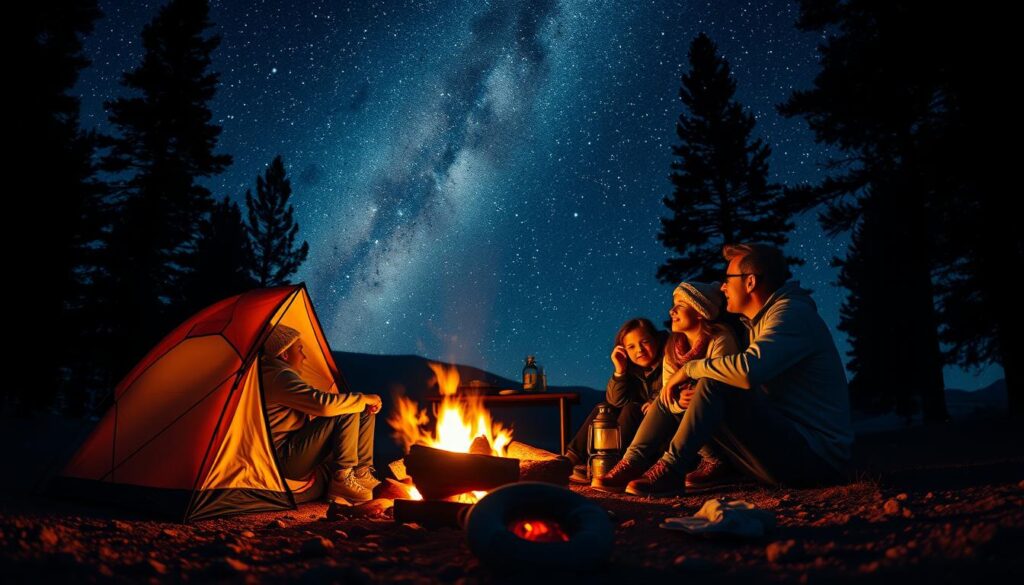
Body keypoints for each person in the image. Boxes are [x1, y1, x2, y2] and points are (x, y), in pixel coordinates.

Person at [601, 243, 854, 497]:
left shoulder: (792, 314)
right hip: (784, 446)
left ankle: (672, 468)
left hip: (816, 459)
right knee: (674, 392)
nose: (722, 287)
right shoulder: (758, 324)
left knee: (714, 382)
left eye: (728, 279)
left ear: (750, 282)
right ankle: (633, 462)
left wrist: (689, 369)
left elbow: (747, 371)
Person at [591, 281, 739, 496]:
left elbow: (716, 384)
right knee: (663, 399)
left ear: (700, 311)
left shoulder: (720, 338)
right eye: (673, 305)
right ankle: (631, 462)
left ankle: (681, 466)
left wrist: (687, 394)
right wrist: (677, 400)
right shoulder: (673, 345)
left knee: (677, 396)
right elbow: (669, 391)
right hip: (687, 413)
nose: (672, 311)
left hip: (723, 418)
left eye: (680, 305)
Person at [260, 324, 383, 509]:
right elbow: (324, 405)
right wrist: (363, 398)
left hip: (293, 450)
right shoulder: (278, 376)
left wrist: (362, 402)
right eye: (299, 350)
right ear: (284, 354)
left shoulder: (278, 374)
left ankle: (361, 473)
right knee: (346, 408)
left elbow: (319, 402)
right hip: (283, 460)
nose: (304, 357)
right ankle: (341, 479)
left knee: (362, 409)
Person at [563, 318, 665, 483]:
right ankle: (569, 460)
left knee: (632, 409)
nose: (639, 350)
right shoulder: (633, 369)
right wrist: (620, 370)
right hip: (638, 425)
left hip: (659, 429)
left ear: (656, 340)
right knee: (604, 409)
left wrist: (657, 400)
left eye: (645, 342)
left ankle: (612, 464)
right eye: (631, 347)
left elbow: (674, 384)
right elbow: (616, 401)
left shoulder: (670, 358)